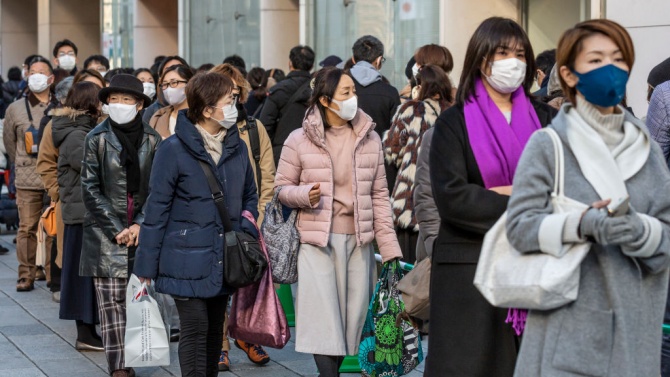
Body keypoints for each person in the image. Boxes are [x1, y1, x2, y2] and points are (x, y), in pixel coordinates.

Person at [506, 19, 670, 377]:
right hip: (566, 334)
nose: (609, 69)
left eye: (618, 58)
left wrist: (637, 230)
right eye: (595, 60)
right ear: (568, 74)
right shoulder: (548, 145)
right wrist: (580, 223)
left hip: (635, 337)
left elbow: (666, 233)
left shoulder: (647, 150)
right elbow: (518, 229)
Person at [426, 17, 556, 376]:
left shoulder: (547, 118)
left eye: (519, 53)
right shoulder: (454, 122)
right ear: (481, 59)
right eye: (502, 52)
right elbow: (453, 197)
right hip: (470, 271)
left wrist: (499, 193)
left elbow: (563, 189)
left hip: (534, 266)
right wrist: (528, 199)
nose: (512, 61)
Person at [275, 67, 403, 377]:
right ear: (325, 100)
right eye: (346, 93)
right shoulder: (299, 139)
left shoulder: (370, 138)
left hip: (358, 243)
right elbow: (280, 189)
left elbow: (379, 196)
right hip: (316, 243)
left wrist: (390, 251)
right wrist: (305, 194)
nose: (353, 99)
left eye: (353, 92)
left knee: (352, 321)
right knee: (323, 320)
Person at [134, 71, 258, 377]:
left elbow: (249, 196)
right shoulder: (173, 149)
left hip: (223, 255)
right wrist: (145, 269)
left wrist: (244, 230)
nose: (235, 104)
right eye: (229, 100)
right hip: (184, 256)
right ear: (206, 110)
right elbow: (157, 209)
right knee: (195, 329)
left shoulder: (237, 146)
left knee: (216, 330)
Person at [80, 74, 160, 377]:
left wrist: (140, 224)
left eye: (127, 100)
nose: (119, 105)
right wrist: (116, 228)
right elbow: (89, 187)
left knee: (138, 299)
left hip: (142, 232)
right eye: (114, 99)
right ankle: (119, 367)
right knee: (111, 305)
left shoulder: (153, 140)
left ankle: (139, 354)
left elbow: (159, 189)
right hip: (105, 234)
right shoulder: (96, 138)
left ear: (139, 105)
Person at [210, 63, 275, 371]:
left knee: (249, 282)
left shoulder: (253, 128)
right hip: (215, 222)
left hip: (250, 221)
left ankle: (248, 335)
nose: (232, 101)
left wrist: (258, 218)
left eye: (236, 94)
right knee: (221, 286)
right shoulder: (204, 133)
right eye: (226, 95)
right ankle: (220, 344)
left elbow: (268, 178)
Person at [50, 81, 105, 351]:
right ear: (90, 104)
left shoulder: (82, 129)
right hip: (81, 214)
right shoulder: (76, 134)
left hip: (84, 212)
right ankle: (85, 333)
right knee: (81, 275)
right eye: (101, 99)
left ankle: (89, 330)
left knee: (85, 273)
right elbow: (92, 169)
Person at [382, 65, 452, 263]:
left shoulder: (411, 110)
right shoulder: (454, 111)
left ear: (420, 86)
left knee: (409, 271)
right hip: (442, 201)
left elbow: (392, 150)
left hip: (410, 199)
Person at [4, 56, 58, 292]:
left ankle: (50, 272)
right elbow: (9, 143)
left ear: (51, 78)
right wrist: (20, 166)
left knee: (52, 228)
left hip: (54, 177)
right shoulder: (15, 108)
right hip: (27, 177)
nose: (36, 76)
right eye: (32, 71)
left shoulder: (61, 105)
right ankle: (25, 274)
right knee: (27, 227)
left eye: (41, 72)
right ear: (26, 75)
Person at [349, 35, 401, 189]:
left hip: (345, 166)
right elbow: (396, 135)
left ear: (353, 58)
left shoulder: (337, 88)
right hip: (381, 169)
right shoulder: (390, 92)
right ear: (378, 60)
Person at [259, 45, 315, 167]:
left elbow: (265, 124)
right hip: (313, 151)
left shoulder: (279, 90)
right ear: (311, 65)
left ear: (290, 63)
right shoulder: (317, 90)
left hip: (282, 151)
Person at [150, 64, 194, 138]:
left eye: (174, 83)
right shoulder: (158, 117)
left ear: (189, 84)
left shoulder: (201, 116)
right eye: (164, 84)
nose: (168, 89)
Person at [142, 55, 190, 123]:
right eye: (168, 70)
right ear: (160, 79)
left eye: (178, 68)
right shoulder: (155, 114)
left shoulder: (201, 112)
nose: (172, 72)